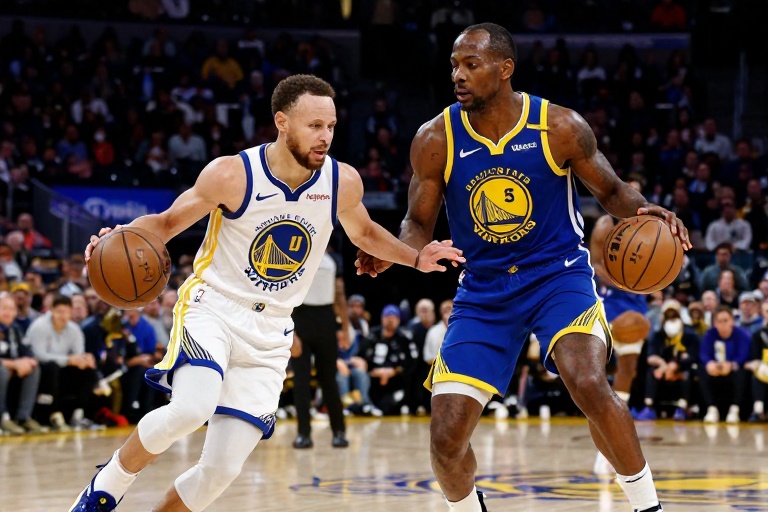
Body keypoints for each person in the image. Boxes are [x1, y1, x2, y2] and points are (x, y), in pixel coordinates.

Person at [70, 74, 464, 512]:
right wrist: (116, 237)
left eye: (331, 126)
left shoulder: (341, 182)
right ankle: (104, 488)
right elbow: (164, 224)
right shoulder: (232, 174)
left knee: (221, 471)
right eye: (314, 126)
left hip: (272, 328)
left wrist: (416, 257)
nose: (325, 136)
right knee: (191, 408)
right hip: (214, 307)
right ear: (282, 122)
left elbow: (366, 232)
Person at [356, 23, 690, 512]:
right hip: (484, 289)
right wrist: (394, 251)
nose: (458, 75)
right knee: (446, 437)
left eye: (471, 64)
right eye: (454, 65)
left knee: (588, 381)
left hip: (557, 276)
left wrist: (648, 211)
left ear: (504, 69)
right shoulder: (435, 138)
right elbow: (417, 223)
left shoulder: (559, 126)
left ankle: (647, 507)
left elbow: (613, 192)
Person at [589, 214, 650, 475]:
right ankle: (604, 443)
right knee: (595, 375)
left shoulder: (651, 226)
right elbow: (595, 264)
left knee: (629, 368)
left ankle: (612, 439)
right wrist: (625, 281)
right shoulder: (606, 225)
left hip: (634, 300)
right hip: (609, 299)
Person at [291, 243, 350, 449]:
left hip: (323, 319)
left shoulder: (332, 260)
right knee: (304, 381)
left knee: (326, 380)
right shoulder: (297, 257)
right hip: (302, 318)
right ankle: (306, 433)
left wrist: (345, 328)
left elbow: (340, 295)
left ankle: (336, 431)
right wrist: (291, 333)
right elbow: (286, 296)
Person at [700, 306, 751, 424]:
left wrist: (731, 365)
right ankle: (711, 409)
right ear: (714, 324)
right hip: (716, 369)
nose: (722, 324)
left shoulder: (741, 334)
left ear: (732, 321)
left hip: (733, 369)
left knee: (741, 372)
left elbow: (744, 355)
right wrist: (710, 363)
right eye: (719, 321)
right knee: (702, 370)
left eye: (725, 320)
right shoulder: (709, 334)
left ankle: (735, 410)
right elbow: (703, 354)